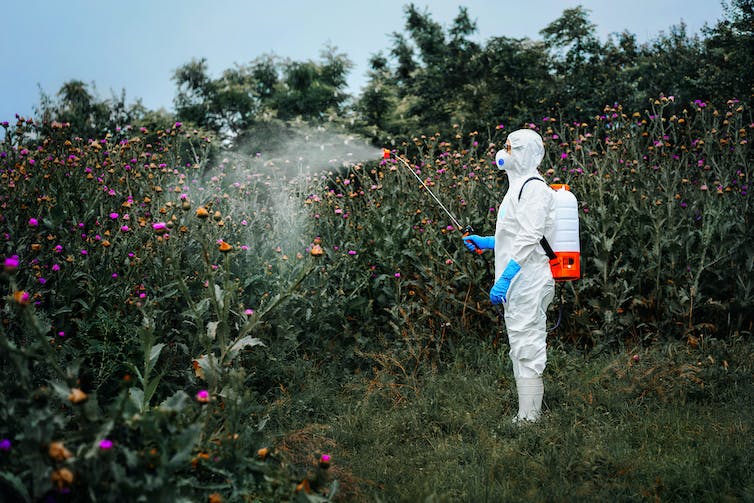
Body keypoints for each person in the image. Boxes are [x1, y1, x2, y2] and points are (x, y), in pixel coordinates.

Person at [463, 128, 555, 423]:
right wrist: (488, 242)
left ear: (526, 153)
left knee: (527, 347)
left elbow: (530, 237)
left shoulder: (535, 189)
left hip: (528, 282)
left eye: (511, 148)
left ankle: (530, 419)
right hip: (518, 283)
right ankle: (524, 414)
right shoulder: (517, 188)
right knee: (519, 344)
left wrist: (506, 277)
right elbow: (514, 233)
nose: (504, 153)